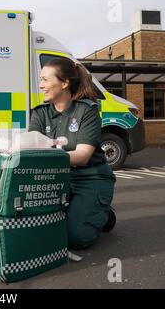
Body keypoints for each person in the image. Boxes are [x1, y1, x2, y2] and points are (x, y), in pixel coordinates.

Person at [29, 58, 116, 249]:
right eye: (41, 80)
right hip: (58, 179)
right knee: (34, 229)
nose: (41, 85)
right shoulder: (39, 113)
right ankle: (80, 210)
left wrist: (45, 155)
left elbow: (83, 155)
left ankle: (103, 213)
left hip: (91, 178)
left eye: (45, 80)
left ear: (65, 83)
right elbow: (32, 148)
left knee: (76, 238)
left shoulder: (87, 110)